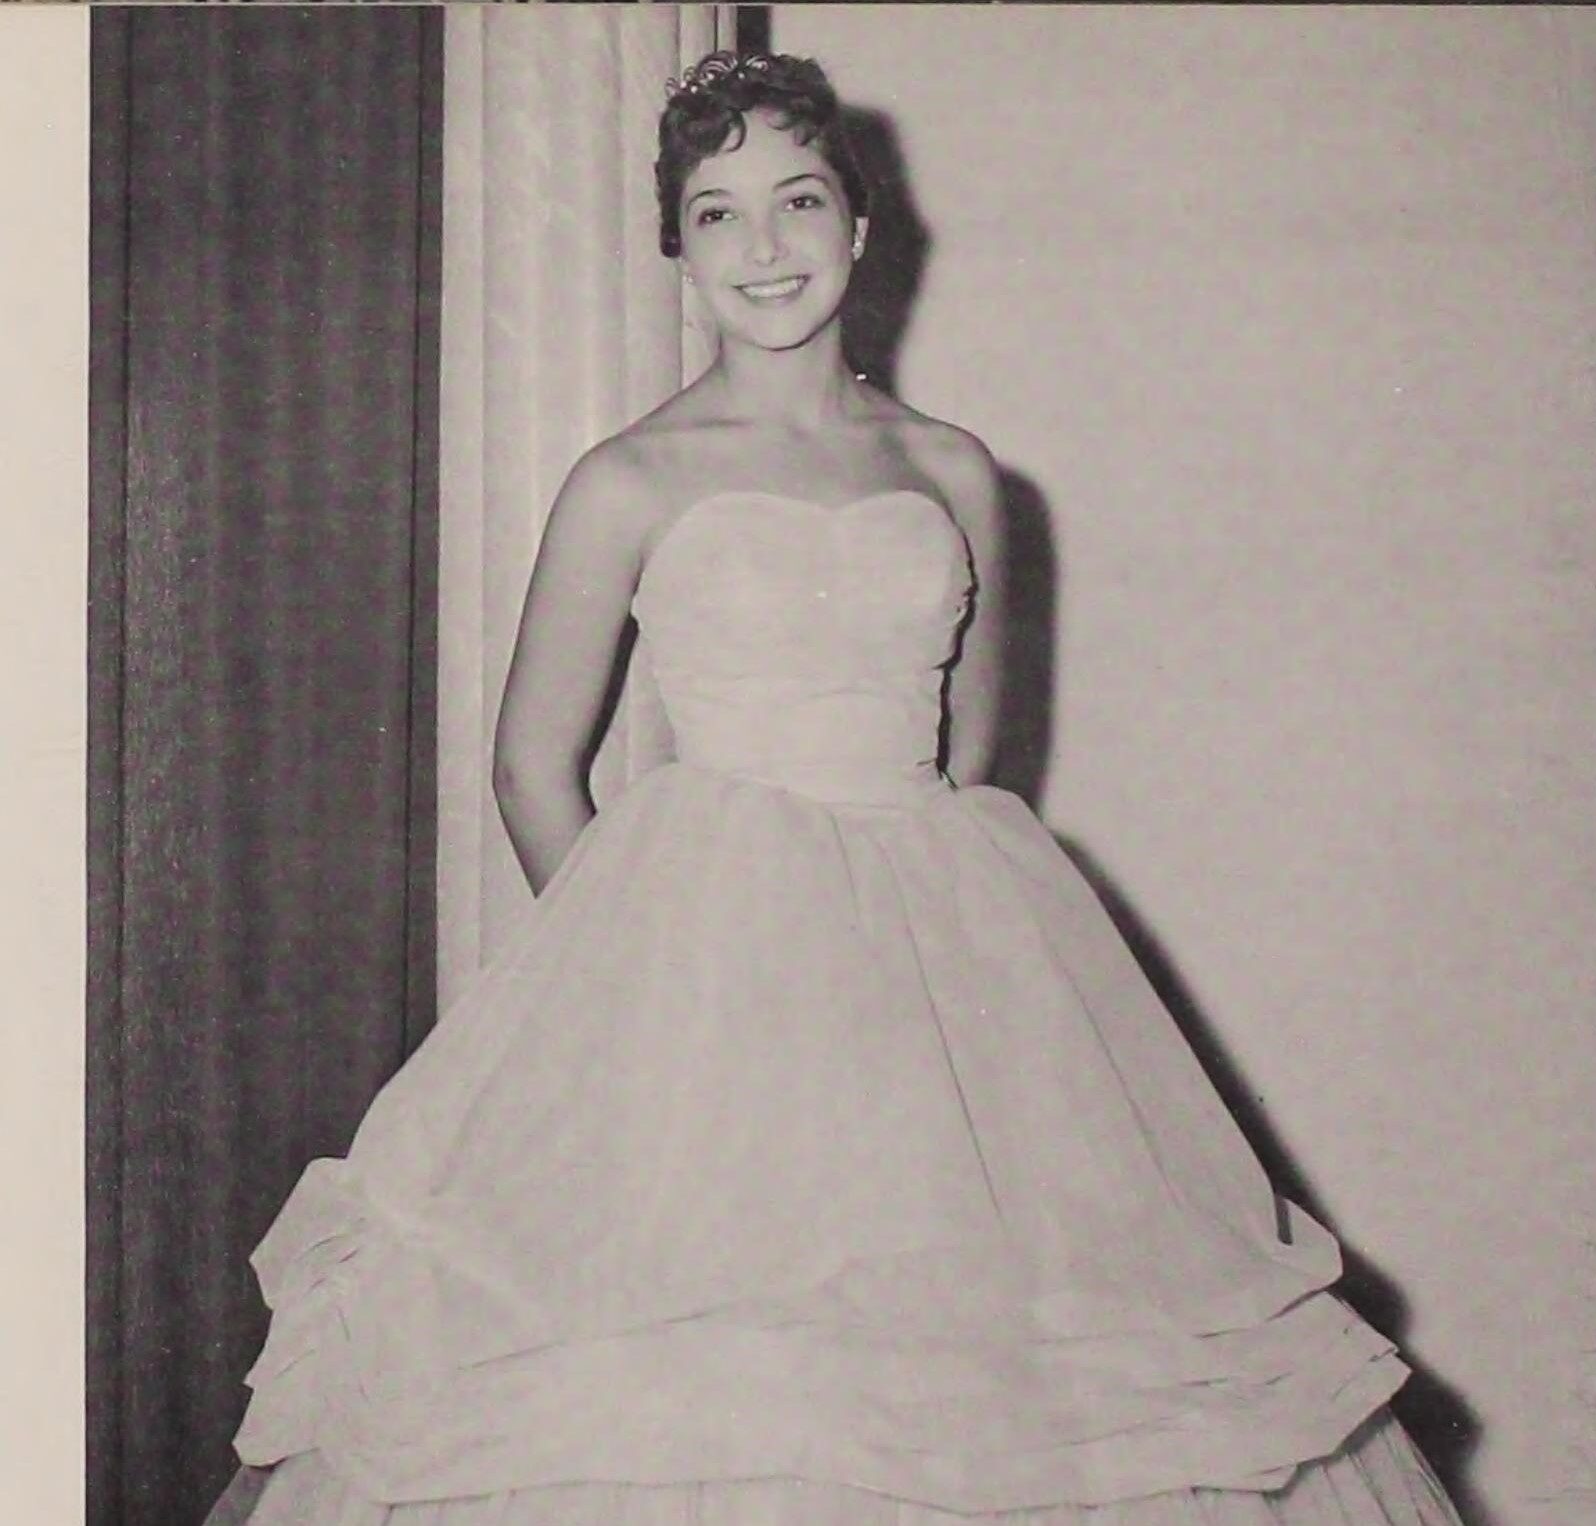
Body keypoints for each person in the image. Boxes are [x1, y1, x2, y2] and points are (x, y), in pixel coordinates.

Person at [208, 51, 1466, 1526]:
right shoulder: (631, 478)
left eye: (798, 200)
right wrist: (649, 971)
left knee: (1000, 1370)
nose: (765, 245)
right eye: (718, 212)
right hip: (702, 977)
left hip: (940, 978)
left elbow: (972, 760)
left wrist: (897, 960)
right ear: (676, 250)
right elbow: (530, 765)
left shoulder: (956, 471)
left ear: (861, 226)